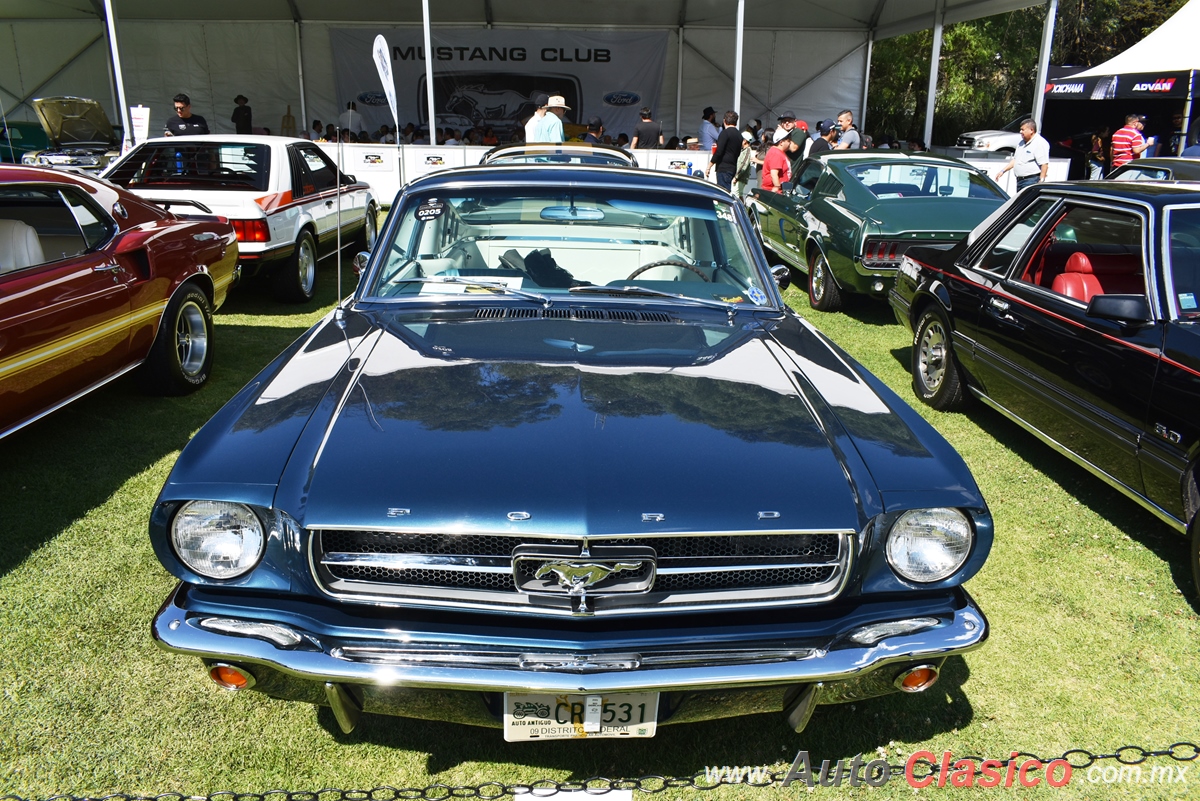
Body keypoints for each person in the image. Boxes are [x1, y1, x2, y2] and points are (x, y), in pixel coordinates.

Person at [994, 118, 1050, 191]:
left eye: (1023, 129)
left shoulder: (1040, 143)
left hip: (1031, 181)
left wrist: (1041, 180)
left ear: (1031, 130)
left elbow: (1044, 164)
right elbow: (1015, 160)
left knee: (1027, 202)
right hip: (1020, 181)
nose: (1020, 132)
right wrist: (1002, 171)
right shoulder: (1021, 143)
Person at [707, 111, 741, 190]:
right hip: (732, 167)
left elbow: (719, 152)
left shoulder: (725, 133)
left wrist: (709, 166)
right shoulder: (739, 135)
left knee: (722, 193)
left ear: (724, 121)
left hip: (723, 168)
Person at [731, 130, 756, 198]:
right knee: (740, 194)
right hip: (740, 177)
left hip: (740, 177)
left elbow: (743, 165)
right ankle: (743, 208)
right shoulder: (744, 150)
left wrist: (736, 177)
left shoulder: (747, 150)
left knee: (735, 194)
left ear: (745, 141)